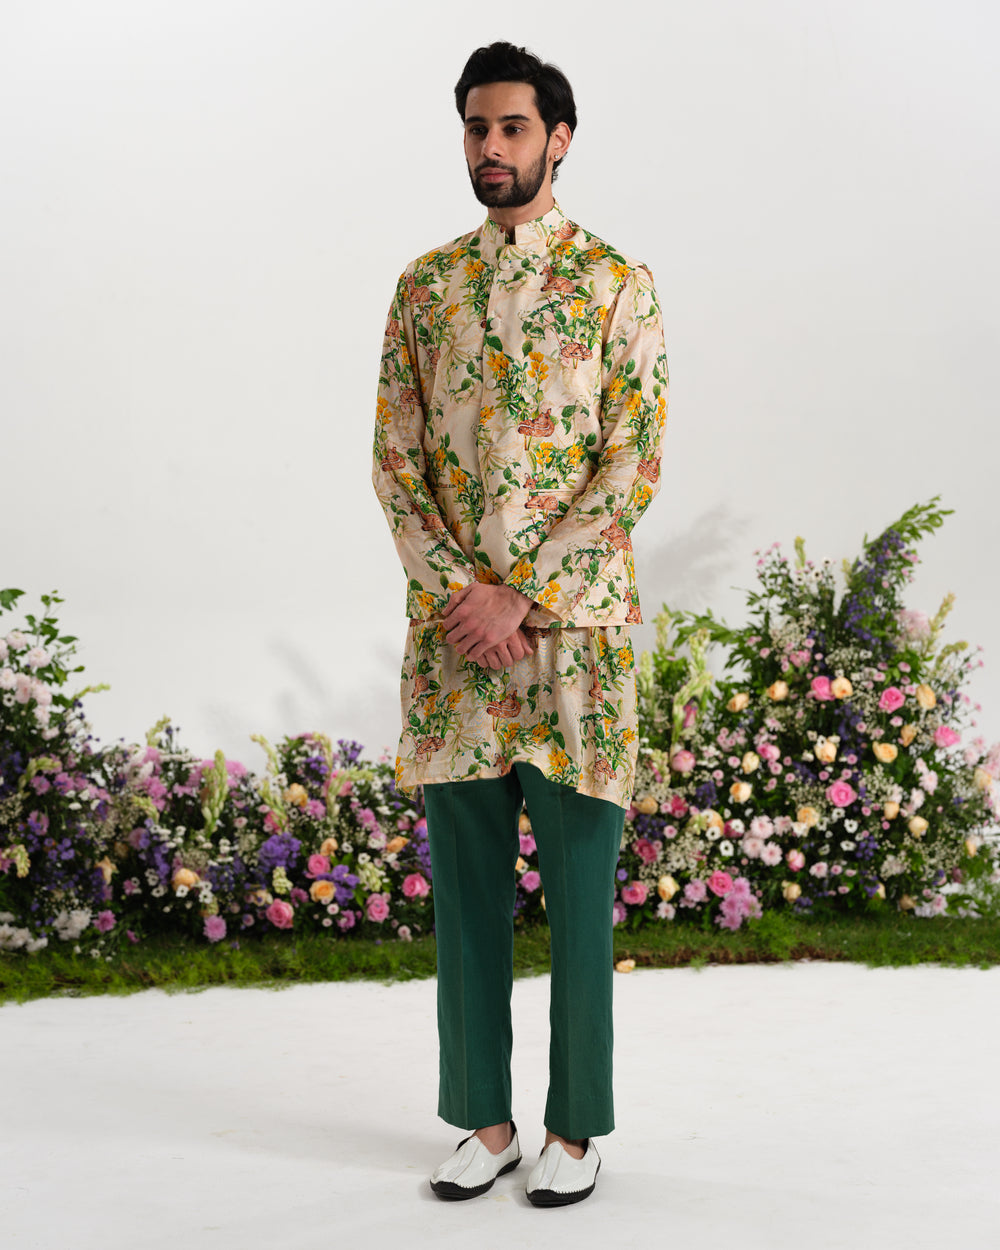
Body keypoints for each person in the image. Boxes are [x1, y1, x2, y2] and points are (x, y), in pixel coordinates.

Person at [371, 40, 668, 1207]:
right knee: (466, 896)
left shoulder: (615, 283)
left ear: (558, 138)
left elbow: (630, 463)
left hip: (575, 642)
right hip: (455, 644)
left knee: (581, 898)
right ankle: (484, 1120)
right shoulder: (424, 287)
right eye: (475, 127)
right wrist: (466, 594)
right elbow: (395, 460)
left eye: (511, 127)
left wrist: (523, 594)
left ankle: (574, 1129)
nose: (490, 147)